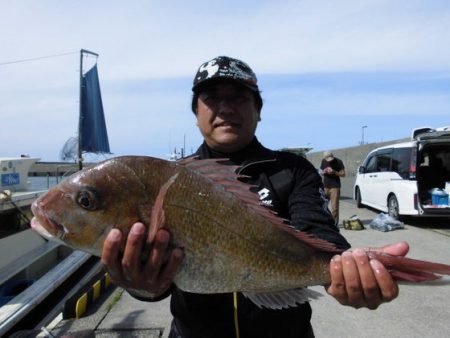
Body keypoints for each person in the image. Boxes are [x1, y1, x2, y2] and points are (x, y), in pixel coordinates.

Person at [101, 56, 409, 338]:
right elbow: (158, 277)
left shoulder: (293, 170)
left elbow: (321, 234)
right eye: (211, 98)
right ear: (196, 113)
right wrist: (141, 286)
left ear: (258, 111)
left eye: (239, 97)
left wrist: (346, 272)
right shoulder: (169, 183)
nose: (226, 107)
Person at [320, 151, 346, 226]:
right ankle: (324, 221)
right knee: (323, 206)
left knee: (334, 208)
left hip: (335, 187)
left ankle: (333, 224)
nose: (329, 160)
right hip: (325, 186)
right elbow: (321, 171)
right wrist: (323, 172)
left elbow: (343, 174)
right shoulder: (323, 161)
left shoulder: (338, 161)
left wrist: (334, 172)